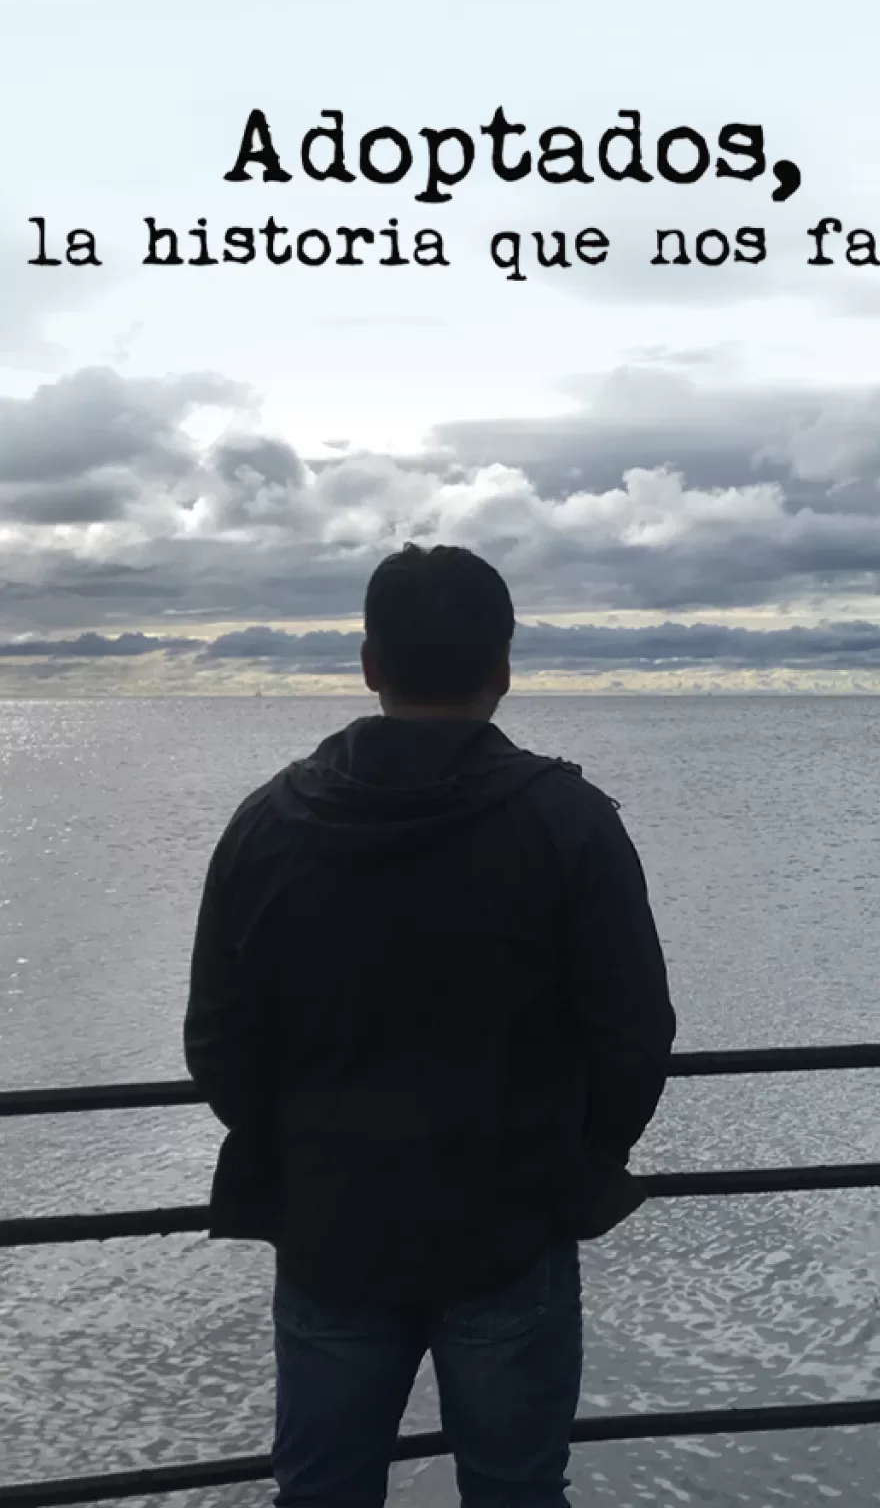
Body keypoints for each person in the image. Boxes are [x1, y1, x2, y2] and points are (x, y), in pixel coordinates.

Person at [184, 543, 677, 1508]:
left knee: (321, 1493)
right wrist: (571, 1164)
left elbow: (217, 1040)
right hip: (510, 1225)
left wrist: (305, 1144)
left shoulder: (266, 823)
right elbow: (633, 1037)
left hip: (330, 1224)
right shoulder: (570, 821)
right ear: (503, 667)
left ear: (371, 663)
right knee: (516, 1492)